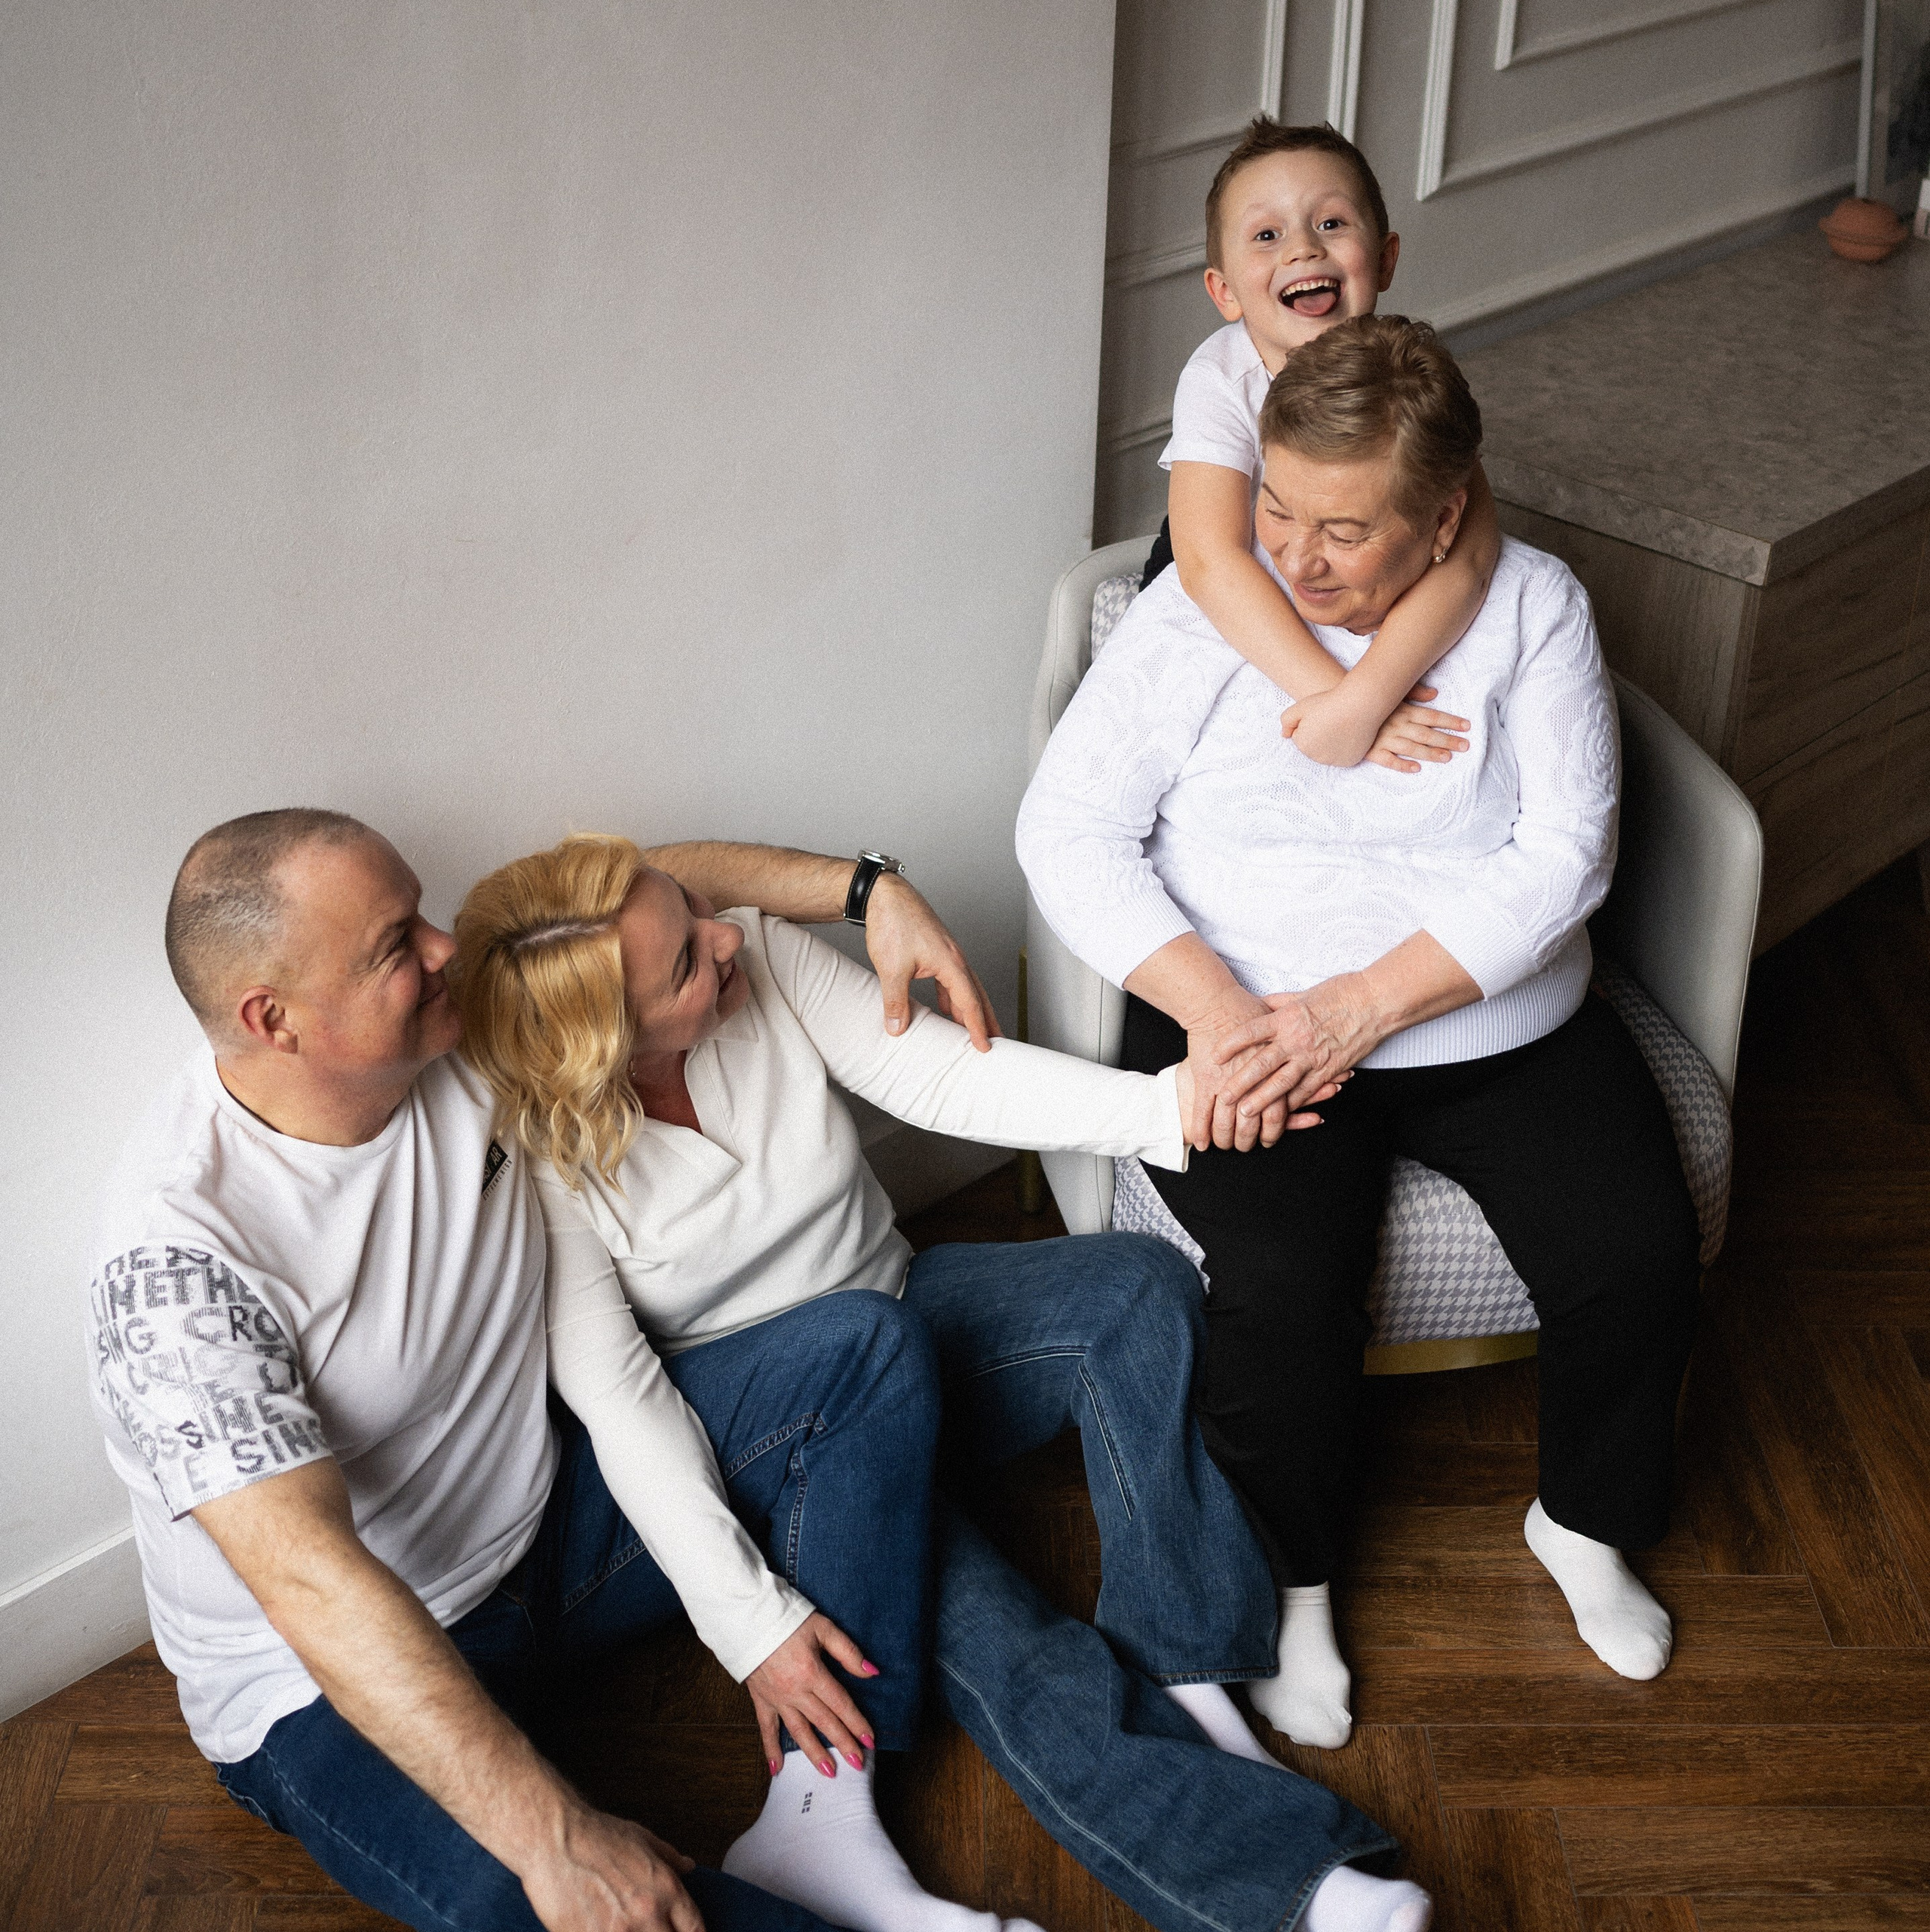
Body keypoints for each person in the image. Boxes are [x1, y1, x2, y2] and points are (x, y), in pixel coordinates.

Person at [84, 810, 1416, 1932]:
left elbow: (656, 888)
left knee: (894, 1344)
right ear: (277, 1017)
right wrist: (573, 1816)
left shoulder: (453, 1040)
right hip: (334, 1667)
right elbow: (327, 1583)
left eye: (427, 920)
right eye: (397, 947)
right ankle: (1216, 1869)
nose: (441, 953)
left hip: (568, 1528)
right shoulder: (182, 1266)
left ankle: (1004, 1751)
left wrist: (871, 888)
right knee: (570, 1900)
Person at [453, 834, 1434, 1932]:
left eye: (695, 911)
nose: (726, 935)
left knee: (1139, 1287)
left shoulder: (756, 961)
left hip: (904, 1314)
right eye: (686, 959)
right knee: (1018, 1646)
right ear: (608, 1042)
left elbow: (939, 1071)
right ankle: (1298, 1890)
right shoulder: (538, 1157)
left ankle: (1192, 1664)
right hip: (799, 1459)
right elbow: (623, 1404)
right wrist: (753, 1626)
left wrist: (1171, 1104)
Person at [1019, 316, 1702, 1755]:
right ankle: (1294, 1573)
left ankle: (1585, 1522)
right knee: (1279, 1275)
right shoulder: (1200, 611)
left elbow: (1569, 853)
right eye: (1273, 504)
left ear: (1445, 515)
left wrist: (1360, 1008)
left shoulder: (1534, 607)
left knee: (1636, 1241)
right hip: (1246, 1010)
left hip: (1481, 1011)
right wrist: (1217, 1013)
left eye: (1343, 527)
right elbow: (1067, 826)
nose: (1295, 554)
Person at [1144, 118, 1500, 772]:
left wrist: (1369, 696)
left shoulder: (1405, 375)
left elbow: (1470, 552)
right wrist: (1333, 697)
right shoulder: (1220, 377)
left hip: (1354, 565)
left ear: (1386, 259)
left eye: (1331, 224)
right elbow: (1209, 564)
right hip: (1229, 563)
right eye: (1267, 235)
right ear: (1224, 291)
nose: (1303, 250)